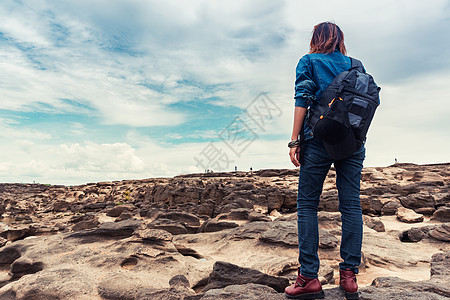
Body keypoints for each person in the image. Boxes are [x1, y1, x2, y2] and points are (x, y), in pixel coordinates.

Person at [286, 22, 366, 300]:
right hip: (353, 142)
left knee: (307, 204)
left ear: (316, 39)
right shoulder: (356, 65)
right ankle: (349, 278)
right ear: (340, 39)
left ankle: (308, 278)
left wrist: (295, 140)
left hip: (318, 138)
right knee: (351, 205)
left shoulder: (308, 61)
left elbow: (302, 99)